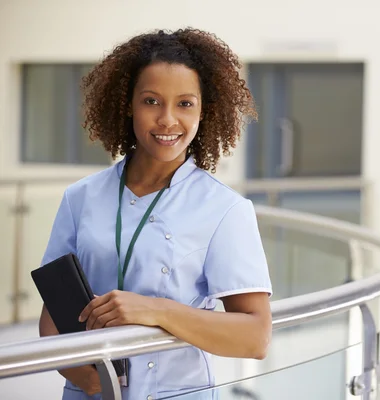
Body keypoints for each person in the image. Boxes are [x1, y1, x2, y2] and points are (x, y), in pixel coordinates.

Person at [38, 28, 273, 400]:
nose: (167, 120)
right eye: (151, 101)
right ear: (127, 104)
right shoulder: (79, 198)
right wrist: (86, 378)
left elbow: (255, 337)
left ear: (203, 110)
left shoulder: (226, 210)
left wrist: (156, 310)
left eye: (185, 103)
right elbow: (52, 319)